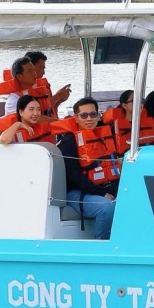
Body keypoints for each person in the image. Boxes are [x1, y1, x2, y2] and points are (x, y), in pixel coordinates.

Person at [53, 97, 119, 240]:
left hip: (104, 187)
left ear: (98, 115)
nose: (89, 118)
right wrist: (102, 193)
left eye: (93, 114)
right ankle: (101, 248)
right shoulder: (68, 143)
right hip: (77, 192)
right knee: (106, 208)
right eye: (84, 115)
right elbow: (74, 177)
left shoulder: (105, 136)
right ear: (76, 118)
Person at [25, 50, 72, 115]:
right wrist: (57, 96)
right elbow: (36, 115)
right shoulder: (21, 93)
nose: (44, 72)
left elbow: (50, 110)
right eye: (42, 68)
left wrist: (60, 99)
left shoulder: (39, 86)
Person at [102, 89, 135, 155]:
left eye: (141, 100)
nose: (139, 103)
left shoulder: (150, 123)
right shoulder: (114, 128)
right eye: (134, 100)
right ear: (125, 105)